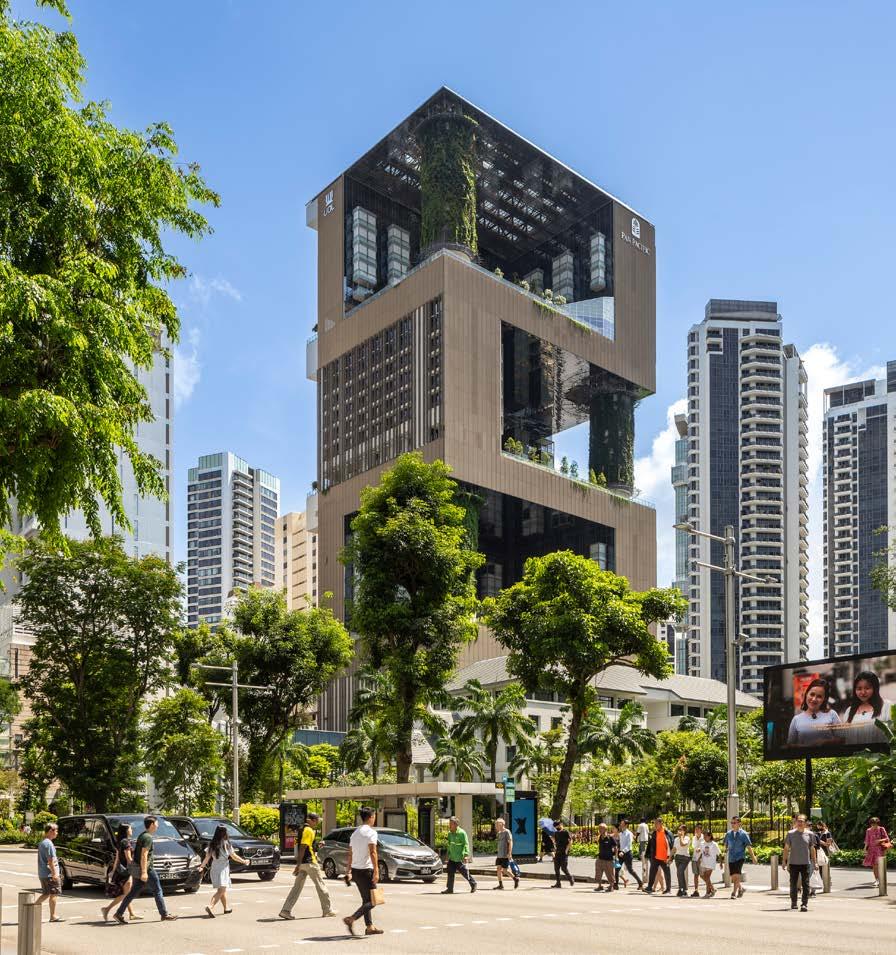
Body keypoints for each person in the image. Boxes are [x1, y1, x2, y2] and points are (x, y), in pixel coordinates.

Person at [114, 816, 178, 923]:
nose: (157, 826)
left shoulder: (142, 835)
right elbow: (144, 855)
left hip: (140, 868)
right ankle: (164, 914)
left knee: (133, 892)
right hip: (147, 869)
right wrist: (144, 872)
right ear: (152, 824)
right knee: (157, 890)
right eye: (156, 823)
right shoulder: (147, 837)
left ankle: (119, 913)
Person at [279, 811, 336, 920]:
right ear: (312, 820)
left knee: (296, 888)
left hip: (303, 863)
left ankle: (285, 910)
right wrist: (298, 864)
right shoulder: (309, 830)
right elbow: (303, 847)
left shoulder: (301, 829)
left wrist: (316, 846)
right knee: (321, 886)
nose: (317, 823)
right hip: (310, 863)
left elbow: (306, 846)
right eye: (317, 821)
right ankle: (327, 910)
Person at [343, 807, 382, 936]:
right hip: (366, 871)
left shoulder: (355, 833)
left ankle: (369, 927)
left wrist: (348, 871)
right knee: (374, 900)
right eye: (374, 816)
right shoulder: (371, 832)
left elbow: (350, 853)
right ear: (371, 817)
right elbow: (373, 852)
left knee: (366, 900)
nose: (374, 819)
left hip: (356, 871)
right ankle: (351, 918)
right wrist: (376, 871)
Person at [200, 823, 248, 917]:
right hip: (223, 869)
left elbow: (207, 858)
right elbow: (234, 856)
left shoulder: (212, 844)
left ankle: (226, 908)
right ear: (225, 833)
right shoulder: (227, 844)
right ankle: (210, 906)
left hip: (214, 868)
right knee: (221, 890)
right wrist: (244, 861)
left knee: (222, 890)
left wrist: (202, 866)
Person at [101, 822, 141, 922]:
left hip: (121, 870)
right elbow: (129, 859)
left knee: (127, 893)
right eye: (130, 828)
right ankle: (107, 909)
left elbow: (117, 858)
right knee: (126, 894)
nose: (132, 830)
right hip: (127, 871)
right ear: (126, 830)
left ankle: (131, 914)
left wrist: (113, 870)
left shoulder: (120, 842)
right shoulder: (126, 842)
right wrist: (138, 869)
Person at [842, 672, 892, 746]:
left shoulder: (887, 706)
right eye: (859, 689)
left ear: (875, 688)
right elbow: (845, 737)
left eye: (867, 688)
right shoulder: (849, 711)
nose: (863, 692)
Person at [787, 679, 841, 747]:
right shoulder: (796, 719)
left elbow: (842, 739)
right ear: (806, 694)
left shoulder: (832, 714)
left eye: (819, 696)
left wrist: (825, 742)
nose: (814, 699)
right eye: (812, 694)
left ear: (824, 699)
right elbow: (790, 745)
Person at [783, 814, 816, 911]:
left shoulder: (810, 834)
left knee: (806, 884)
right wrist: (784, 861)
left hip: (805, 863)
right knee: (793, 884)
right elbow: (786, 848)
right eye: (798, 821)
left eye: (802, 821)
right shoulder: (790, 834)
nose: (800, 823)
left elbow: (812, 849)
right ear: (796, 822)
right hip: (793, 863)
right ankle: (794, 903)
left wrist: (815, 862)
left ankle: (804, 904)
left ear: (805, 823)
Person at [723, 817, 757, 899]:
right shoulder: (728, 834)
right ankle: (741, 889)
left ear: (739, 824)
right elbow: (726, 845)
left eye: (734, 823)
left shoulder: (744, 834)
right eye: (732, 823)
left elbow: (748, 846)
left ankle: (734, 893)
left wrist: (753, 857)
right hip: (731, 858)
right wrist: (724, 853)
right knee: (733, 877)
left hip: (740, 857)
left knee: (737, 875)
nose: (732, 824)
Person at [35, 821, 63, 923]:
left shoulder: (43, 842)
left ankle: (31, 909)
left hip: (43, 873)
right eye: (56, 831)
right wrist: (55, 874)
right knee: (53, 894)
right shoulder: (48, 844)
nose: (57, 833)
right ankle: (53, 916)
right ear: (51, 831)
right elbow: (50, 861)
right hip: (49, 874)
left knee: (46, 894)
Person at [442, 816, 477, 895]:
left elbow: (466, 844)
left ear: (456, 824)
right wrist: (447, 856)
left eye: (451, 824)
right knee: (450, 872)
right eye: (449, 824)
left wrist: (466, 855)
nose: (449, 825)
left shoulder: (462, 833)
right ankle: (450, 889)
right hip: (452, 857)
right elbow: (449, 845)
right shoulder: (450, 834)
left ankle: (473, 883)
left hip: (459, 857)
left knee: (464, 872)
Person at [644, 818, 673, 895]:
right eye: (654, 824)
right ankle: (649, 887)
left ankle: (668, 889)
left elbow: (671, 845)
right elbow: (650, 844)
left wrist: (671, 857)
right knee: (652, 872)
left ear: (661, 824)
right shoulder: (654, 833)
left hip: (665, 858)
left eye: (656, 823)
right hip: (655, 857)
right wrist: (648, 854)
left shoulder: (667, 833)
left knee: (667, 873)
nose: (655, 825)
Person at [863, 816, 891, 887]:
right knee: (874, 866)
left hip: (880, 850)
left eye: (875, 824)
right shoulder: (868, 830)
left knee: (880, 865)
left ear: (877, 823)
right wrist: (865, 849)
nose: (873, 826)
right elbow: (867, 840)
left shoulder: (881, 829)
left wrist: (879, 840)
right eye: (872, 824)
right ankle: (877, 880)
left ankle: (882, 880)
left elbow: (887, 838)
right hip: (871, 850)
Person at [615, 818, 642, 890]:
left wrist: (623, 851)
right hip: (620, 854)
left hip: (627, 854)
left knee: (630, 870)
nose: (620, 825)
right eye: (621, 823)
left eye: (622, 824)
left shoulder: (629, 834)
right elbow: (619, 843)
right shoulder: (620, 834)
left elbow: (629, 845)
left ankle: (640, 883)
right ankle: (616, 885)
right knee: (617, 868)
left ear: (626, 825)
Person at [493, 818, 518, 890]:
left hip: (505, 854)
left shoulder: (507, 832)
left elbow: (510, 842)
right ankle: (500, 885)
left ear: (502, 824)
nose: (496, 826)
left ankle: (515, 879)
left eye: (497, 824)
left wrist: (509, 852)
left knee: (505, 870)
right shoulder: (499, 833)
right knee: (498, 869)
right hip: (499, 855)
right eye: (496, 824)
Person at [594, 822, 617, 891]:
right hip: (600, 858)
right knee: (598, 872)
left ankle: (611, 886)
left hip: (608, 859)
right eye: (599, 828)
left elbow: (615, 847)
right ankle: (599, 886)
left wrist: (616, 857)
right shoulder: (600, 837)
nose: (599, 830)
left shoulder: (610, 838)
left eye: (601, 828)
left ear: (605, 829)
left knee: (609, 873)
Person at [551, 820, 574, 888]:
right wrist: (553, 841)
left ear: (561, 825)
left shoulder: (566, 832)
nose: (556, 827)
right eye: (555, 826)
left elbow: (570, 841)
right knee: (556, 868)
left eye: (557, 826)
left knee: (563, 868)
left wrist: (566, 850)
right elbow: (556, 842)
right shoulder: (556, 833)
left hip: (564, 852)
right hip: (558, 852)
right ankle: (558, 883)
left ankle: (570, 878)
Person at [813, 820, 834, 892]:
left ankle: (827, 884)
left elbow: (828, 844)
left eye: (819, 826)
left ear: (822, 826)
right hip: (817, 852)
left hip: (825, 853)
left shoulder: (828, 833)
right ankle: (820, 884)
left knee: (825, 870)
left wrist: (819, 841)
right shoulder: (818, 833)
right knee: (818, 869)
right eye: (817, 826)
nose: (818, 828)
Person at [672, 825, 692, 897]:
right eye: (679, 829)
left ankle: (681, 889)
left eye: (681, 830)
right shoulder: (676, 839)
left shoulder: (687, 838)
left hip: (685, 858)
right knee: (680, 874)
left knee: (679, 872)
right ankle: (683, 890)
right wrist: (669, 858)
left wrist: (681, 837)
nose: (679, 831)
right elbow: (674, 849)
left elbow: (683, 844)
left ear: (684, 831)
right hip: (677, 857)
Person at [698, 831, 719, 898]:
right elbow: (702, 852)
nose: (704, 837)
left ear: (710, 836)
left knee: (707, 877)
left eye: (706, 836)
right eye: (704, 836)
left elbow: (719, 853)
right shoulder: (702, 843)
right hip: (703, 863)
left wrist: (721, 863)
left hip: (710, 863)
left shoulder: (714, 844)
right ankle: (713, 889)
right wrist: (699, 858)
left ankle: (707, 893)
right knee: (702, 876)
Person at [690, 823, 704, 898]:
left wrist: (700, 850)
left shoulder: (704, 838)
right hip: (694, 858)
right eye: (695, 829)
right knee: (696, 875)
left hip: (701, 859)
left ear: (701, 830)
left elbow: (705, 848)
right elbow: (693, 847)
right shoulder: (694, 838)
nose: (696, 831)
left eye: (698, 829)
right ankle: (696, 890)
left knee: (703, 875)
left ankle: (711, 889)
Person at [636, 817, 650, 881]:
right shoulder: (646, 825)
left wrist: (636, 838)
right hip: (646, 838)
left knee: (642, 849)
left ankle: (642, 857)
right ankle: (641, 856)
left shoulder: (640, 825)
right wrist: (649, 838)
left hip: (642, 838)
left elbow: (638, 832)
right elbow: (648, 832)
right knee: (643, 848)